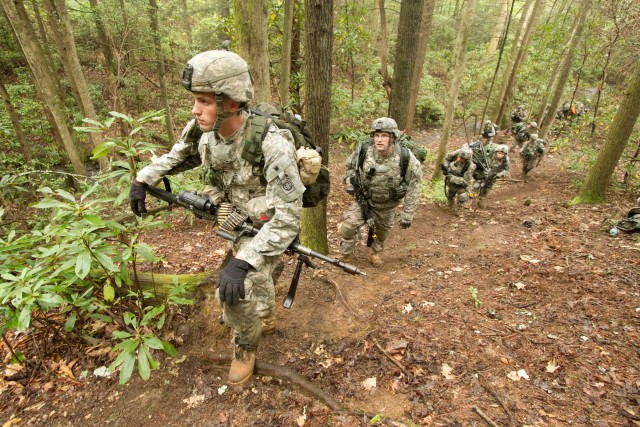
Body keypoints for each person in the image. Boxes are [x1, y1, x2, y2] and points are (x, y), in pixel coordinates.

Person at [128, 50, 304, 385]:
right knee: (245, 274)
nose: (196, 110)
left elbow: (287, 219)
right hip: (229, 216)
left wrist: (245, 261)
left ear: (232, 101)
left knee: (231, 290)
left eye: (205, 101)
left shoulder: (272, 144)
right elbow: (178, 155)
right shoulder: (201, 129)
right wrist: (142, 179)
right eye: (195, 100)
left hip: (266, 225)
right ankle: (264, 314)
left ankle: (245, 346)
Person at [339, 117, 423, 267]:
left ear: (392, 138)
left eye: (384, 136)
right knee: (348, 227)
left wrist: (408, 214)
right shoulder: (364, 150)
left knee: (381, 233)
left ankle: (374, 253)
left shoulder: (406, 157)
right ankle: (345, 255)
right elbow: (349, 168)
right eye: (377, 136)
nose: (379, 140)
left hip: (388, 204)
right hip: (364, 199)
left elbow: (414, 187)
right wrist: (350, 181)